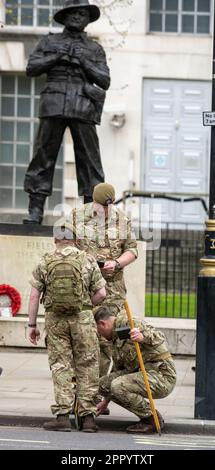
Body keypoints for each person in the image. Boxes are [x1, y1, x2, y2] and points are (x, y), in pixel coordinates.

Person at [23, 0, 110, 224]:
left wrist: (83, 61)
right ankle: (35, 210)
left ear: (87, 19)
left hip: (83, 105)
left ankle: (93, 212)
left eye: (82, 13)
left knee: (90, 159)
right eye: (72, 13)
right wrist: (56, 56)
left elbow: (104, 80)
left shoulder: (94, 48)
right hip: (54, 102)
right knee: (43, 156)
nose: (77, 17)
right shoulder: (49, 41)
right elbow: (31, 68)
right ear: (64, 16)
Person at [27, 221, 106, 432]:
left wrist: (31, 324)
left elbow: (34, 296)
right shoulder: (87, 260)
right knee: (87, 365)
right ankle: (88, 418)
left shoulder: (46, 260)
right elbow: (102, 294)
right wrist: (86, 305)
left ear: (55, 241)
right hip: (83, 319)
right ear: (76, 240)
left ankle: (62, 416)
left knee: (61, 365)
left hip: (55, 321)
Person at [72, 182, 138, 377]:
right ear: (94, 201)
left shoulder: (123, 219)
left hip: (112, 288)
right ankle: (80, 390)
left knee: (105, 342)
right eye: (102, 206)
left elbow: (132, 250)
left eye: (110, 205)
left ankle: (96, 391)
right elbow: (65, 245)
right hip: (86, 287)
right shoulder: (77, 216)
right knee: (82, 337)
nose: (106, 210)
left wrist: (117, 263)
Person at [94, 306, 176, 433]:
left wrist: (142, 337)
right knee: (103, 384)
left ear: (102, 324)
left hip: (161, 375)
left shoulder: (129, 323)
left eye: (99, 332)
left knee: (117, 386)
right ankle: (149, 414)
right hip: (142, 374)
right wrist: (105, 402)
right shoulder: (116, 337)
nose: (101, 336)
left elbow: (159, 337)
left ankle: (151, 419)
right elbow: (117, 369)